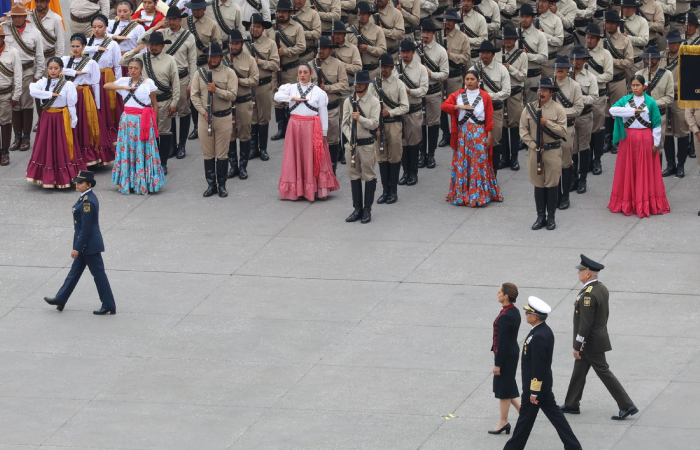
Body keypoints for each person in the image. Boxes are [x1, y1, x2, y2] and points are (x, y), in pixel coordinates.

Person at [561, 254, 639, 421]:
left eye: (580, 271)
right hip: (596, 338)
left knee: (604, 372)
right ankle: (571, 404)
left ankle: (626, 405)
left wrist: (578, 344)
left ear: (588, 274)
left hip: (590, 342)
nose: (578, 273)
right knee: (579, 371)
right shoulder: (600, 288)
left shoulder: (588, 295)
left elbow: (585, 323)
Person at [503, 296, 582, 450]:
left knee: (525, 421)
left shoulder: (539, 336)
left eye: (528, 313)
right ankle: (573, 446)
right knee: (553, 418)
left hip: (536, 387)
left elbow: (538, 366)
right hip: (541, 386)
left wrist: (534, 391)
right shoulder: (542, 331)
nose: (526, 314)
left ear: (535, 316)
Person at [43, 170, 117, 316]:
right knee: (74, 273)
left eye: (80, 182)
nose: (77, 184)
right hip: (86, 244)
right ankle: (61, 298)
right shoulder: (85, 198)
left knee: (98, 275)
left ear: (89, 184)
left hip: (88, 245)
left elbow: (86, 228)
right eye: (76, 181)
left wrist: (77, 248)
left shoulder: (87, 202)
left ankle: (108, 304)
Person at [138, 5, 197, 161]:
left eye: (174, 19)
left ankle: (182, 145)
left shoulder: (188, 36)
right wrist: (157, 26)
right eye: (169, 19)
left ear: (180, 20)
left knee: (183, 111)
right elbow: (141, 40)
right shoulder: (161, 34)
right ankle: (171, 145)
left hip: (183, 78)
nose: (171, 22)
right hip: (164, 79)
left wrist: (192, 82)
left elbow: (192, 62)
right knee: (168, 113)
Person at [275, 62, 340, 201]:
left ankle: (313, 188)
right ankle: (296, 190)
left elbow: (323, 113)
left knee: (312, 157)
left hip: (312, 128)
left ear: (310, 74)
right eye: (300, 72)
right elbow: (276, 96)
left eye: (305, 72)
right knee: (295, 156)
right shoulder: (291, 88)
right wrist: (292, 98)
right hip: (294, 127)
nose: (302, 75)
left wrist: (324, 133)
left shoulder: (318, 92)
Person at [607, 74, 670, 217]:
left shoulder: (651, 102)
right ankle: (627, 201)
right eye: (633, 85)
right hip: (628, 139)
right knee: (627, 169)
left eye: (638, 85)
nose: (635, 88)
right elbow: (612, 110)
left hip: (645, 138)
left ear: (644, 86)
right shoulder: (625, 100)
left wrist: (656, 143)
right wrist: (632, 111)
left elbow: (656, 124)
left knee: (645, 170)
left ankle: (645, 201)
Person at [120, 31, 180, 174]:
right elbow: (122, 61)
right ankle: (150, 162)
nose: (154, 47)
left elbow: (175, 83)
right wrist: (136, 50)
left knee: (164, 133)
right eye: (151, 44)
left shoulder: (170, 59)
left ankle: (163, 163)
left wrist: (174, 102)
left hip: (164, 101)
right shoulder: (141, 58)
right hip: (144, 104)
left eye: (157, 45)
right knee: (147, 133)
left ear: (162, 46)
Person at [104, 58, 166, 195]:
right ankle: (129, 181)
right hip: (127, 121)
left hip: (143, 120)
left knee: (142, 150)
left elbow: (154, 104)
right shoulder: (123, 81)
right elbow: (106, 86)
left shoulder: (148, 83)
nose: (132, 70)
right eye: (130, 67)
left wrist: (154, 123)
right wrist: (123, 88)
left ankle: (144, 181)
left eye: (135, 68)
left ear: (141, 69)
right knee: (127, 149)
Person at [442, 69, 503, 207]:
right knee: (463, 162)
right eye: (467, 79)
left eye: (472, 79)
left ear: (478, 81)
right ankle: (462, 193)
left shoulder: (485, 96)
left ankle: (479, 193)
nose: (469, 82)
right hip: (462, 134)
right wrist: (459, 106)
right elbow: (444, 105)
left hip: (479, 132)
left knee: (479, 163)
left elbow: (489, 118)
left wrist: (489, 136)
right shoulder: (458, 95)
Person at [26, 57, 83, 188]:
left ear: (61, 69)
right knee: (45, 144)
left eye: (56, 68)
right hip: (47, 117)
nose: (53, 71)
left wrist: (73, 121)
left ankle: (65, 176)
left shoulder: (67, 84)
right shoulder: (42, 82)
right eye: (50, 68)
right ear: (47, 69)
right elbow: (32, 90)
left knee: (62, 145)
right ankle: (44, 175)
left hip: (61, 117)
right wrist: (51, 94)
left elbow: (71, 104)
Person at [191, 42, 238, 197]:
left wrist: (216, 90)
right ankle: (211, 185)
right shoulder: (200, 73)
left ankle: (222, 185)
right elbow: (194, 95)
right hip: (205, 118)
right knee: (208, 153)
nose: (212, 59)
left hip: (223, 117)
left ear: (221, 57)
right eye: (210, 56)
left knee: (222, 154)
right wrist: (203, 112)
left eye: (215, 56)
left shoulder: (229, 73)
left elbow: (232, 95)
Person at [519, 77, 567, 231]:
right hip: (535, 151)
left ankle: (551, 216)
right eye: (539, 90)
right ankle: (540, 216)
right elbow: (523, 130)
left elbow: (563, 131)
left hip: (552, 151)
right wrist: (533, 145)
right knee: (538, 184)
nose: (541, 92)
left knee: (552, 184)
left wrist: (547, 123)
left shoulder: (558, 109)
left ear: (551, 92)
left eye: (545, 90)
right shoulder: (528, 109)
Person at [3, 3, 44, 152]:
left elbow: (40, 56)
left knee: (26, 104)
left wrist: (38, 75)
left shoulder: (34, 33)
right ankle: (17, 137)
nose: (17, 19)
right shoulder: (6, 28)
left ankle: (26, 138)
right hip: (10, 72)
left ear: (25, 17)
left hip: (27, 70)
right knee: (13, 104)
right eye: (14, 16)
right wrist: (4, 19)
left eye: (20, 16)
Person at [369, 53, 408, 203]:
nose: (383, 69)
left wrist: (390, 112)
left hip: (394, 123)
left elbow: (405, 106)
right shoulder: (374, 84)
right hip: (379, 125)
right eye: (381, 66)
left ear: (392, 68)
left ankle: (393, 190)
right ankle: (385, 190)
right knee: (382, 157)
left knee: (394, 157)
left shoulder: (399, 84)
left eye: (386, 67)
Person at [342, 69, 379, 222]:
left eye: (361, 83)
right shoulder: (348, 101)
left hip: (367, 145)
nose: (357, 86)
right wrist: (350, 137)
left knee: (368, 176)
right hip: (352, 144)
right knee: (354, 176)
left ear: (366, 85)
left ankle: (367, 209)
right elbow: (344, 124)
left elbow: (375, 124)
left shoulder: (374, 102)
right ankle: (357, 208)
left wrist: (361, 119)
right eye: (356, 83)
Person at [63, 34, 106, 167]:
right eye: (73, 46)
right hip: (69, 95)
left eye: (78, 46)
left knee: (85, 124)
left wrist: (97, 104)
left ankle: (88, 156)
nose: (75, 49)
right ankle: (72, 154)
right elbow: (56, 69)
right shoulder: (64, 60)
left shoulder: (91, 62)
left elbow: (95, 84)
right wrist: (75, 73)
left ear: (83, 47)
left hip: (84, 96)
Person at [185, 0, 224, 141]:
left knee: (207, 94)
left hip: (205, 64)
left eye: (197, 9)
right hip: (189, 65)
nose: (195, 12)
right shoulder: (185, 22)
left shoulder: (212, 24)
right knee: (194, 95)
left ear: (203, 9)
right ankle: (196, 126)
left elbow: (218, 45)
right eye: (193, 9)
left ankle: (212, 121)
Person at [311, 35, 349, 175]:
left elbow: (344, 84)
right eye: (319, 48)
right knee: (315, 141)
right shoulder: (310, 65)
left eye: (325, 48)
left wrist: (327, 87)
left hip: (331, 108)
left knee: (332, 140)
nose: (321, 51)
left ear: (330, 50)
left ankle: (332, 171)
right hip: (314, 111)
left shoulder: (338, 64)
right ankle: (317, 171)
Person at [244, 13, 280, 162]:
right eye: (253, 27)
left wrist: (260, 62)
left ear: (263, 28)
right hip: (249, 86)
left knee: (263, 118)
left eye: (258, 27)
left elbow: (275, 64)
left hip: (264, 84)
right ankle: (253, 148)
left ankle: (263, 149)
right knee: (252, 117)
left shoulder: (270, 44)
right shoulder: (244, 44)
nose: (255, 29)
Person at [85, 15, 124, 152]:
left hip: (107, 76)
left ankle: (111, 131)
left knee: (109, 105)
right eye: (94, 27)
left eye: (100, 27)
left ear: (106, 27)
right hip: (92, 77)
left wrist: (117, 84)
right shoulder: (87, 43)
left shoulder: (112, 44)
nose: (96, 29)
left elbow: (118, 65)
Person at [471, 41, 510, 177]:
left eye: (487, 53)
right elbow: (466, 89)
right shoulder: (473, 69)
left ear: (493, 55)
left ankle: (493, 175)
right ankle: (480, 174)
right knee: (479, 141)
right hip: (478, 112)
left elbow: (506, 92)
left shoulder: (501, 70)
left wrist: (488, 96)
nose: (484, 55)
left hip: (495, 109)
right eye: (482, 53)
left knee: (494, 141)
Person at [550, 55, 583, 211]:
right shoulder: (549, 84)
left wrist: (560, 111)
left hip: (566, 128)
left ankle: (565, 196)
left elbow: (578, 109)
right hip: (549, 128)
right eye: (557, 68)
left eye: (562, 68)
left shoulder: (575, 86)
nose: (559, 70)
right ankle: (555, 195)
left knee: (565, 162)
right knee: (552, 162)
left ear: (568, 69)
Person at [270, 0, 306, 141]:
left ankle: (292, 128)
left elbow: (301, 46)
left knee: (291, 98)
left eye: (284, 12)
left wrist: (284, 51)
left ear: (290, 13)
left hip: (291, 68)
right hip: (275, 69)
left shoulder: (297, 27)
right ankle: (281, 128)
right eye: (279, 12)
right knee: (277, 99)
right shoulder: (271, 28)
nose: (281, 14)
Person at [490, 282, 521, 435]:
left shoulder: (505, 316)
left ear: (506, 296)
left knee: (503, 389)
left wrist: (497, 364)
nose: (497, 294)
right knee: (507, 385)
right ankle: (523, 412)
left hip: (505, 356)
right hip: (512, 353)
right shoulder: (514, 312)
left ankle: (504, 421)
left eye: (499, 292)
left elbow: (502, 342)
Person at [228, 29, 259, 180]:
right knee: (230, 135)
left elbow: (255, 80)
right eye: (231, 43)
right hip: (228, 103)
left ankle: (243, 167)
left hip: (244, 101)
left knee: (245, 135)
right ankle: (233, 166)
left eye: (236, 43)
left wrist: (240, 81)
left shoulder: (249, 59)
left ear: (241, 44)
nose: (233, 46)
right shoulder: (224, 59)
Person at [583, 22, 613, 178]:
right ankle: (587, 159)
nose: (588, 41)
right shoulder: (581, 53)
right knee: (585, 129)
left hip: (599, 95)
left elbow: (609, 75)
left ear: (598, 39)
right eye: (587, 37)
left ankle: (597, 159)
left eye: (592, 38)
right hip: (583, 96)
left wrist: (592, 79)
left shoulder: (605, 54)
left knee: (597, 129)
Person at [418, 18, 448, 169]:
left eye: (428, 32)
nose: (425, 35)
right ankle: (421, 153)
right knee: (420, 123)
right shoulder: (416, 49)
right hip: (418, 93)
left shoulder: (440, 51)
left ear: (434, 34)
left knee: (433, 123)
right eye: (423, 31)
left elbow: (445, 74)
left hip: (434, 92)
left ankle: (431, 154)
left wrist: (430, 74)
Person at [568, 45, 599, 195]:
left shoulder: (590, 77)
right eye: (574, 59)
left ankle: (583, 179)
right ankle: (573, 177)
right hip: (570, 116)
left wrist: (579, 99)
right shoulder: (566, 76)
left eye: (579, 59)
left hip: (585, 115)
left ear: (585, 60)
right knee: (572, 147)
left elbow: (594, 97)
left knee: (584, 146)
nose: (576, 62)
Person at [660, 30, 691, 179]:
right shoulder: (662, 57)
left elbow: (688, 81)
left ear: (680, 43)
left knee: (682, 132)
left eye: (674, 42)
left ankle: (681, 165)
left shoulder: (685, 57)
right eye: (669, 42)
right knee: (666, 133)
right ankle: (670, 164)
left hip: (679, 99)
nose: (671, 45)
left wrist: (669, 85)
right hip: (665, 99)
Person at [438, 8, 470, 149]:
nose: (448, 23)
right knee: (442, 107)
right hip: (439, 77)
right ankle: (445, 134)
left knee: (455, 107)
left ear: (455, 22)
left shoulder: (462, 37)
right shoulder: (438, 35)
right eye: (446, 20)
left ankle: (456, 133)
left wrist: (450, 55)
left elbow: (466, 58)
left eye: (451, 20)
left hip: (454, 76)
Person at [499, 25, 527, 172]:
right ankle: (504, 157)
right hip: (501, 93)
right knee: (503, 125)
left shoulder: (522, 55)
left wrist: (510, 68)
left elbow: (523, 76)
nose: (508, 42)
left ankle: (514, 157)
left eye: (510, 39)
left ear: (515, 40)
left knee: (514, 125)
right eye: (506, 39)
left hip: (515, 93)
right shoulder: (498, 54)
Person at [0, 25, 21, 167]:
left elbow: (18, 75)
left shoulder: (12, 52)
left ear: (2, 38)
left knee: (5, 123)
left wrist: (16, 95)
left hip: (5, 93)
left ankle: (5, 152)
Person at [109, 2, 147, 76]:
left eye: (125, 11)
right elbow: (100, 36)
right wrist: (115, 36)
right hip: (115, 59)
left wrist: (142, 64)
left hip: (131, 59)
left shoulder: (138, 27)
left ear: (131, 12)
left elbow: (142, 48)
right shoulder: (111, 24)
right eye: (119, 11)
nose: (122, 14)